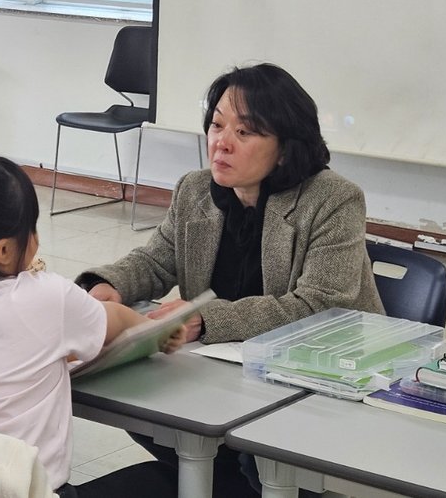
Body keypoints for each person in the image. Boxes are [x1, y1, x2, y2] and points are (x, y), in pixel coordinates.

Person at [75, 63, 385, 496]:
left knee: (252, 459)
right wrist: (108, 286)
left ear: (285, 147)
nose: (221, 142)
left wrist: (206, 319)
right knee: (142, 405)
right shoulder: (195, 190)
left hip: (315, 377)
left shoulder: (332, 199)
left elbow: (318, 306)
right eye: (217, 125)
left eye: (245, 132)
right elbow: (156, 260)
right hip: (225, 377)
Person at [0, 155, 179, 497]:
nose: (36, 237)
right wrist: (154, 328)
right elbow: (114, 320)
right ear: (3, 250)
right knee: (165, 482)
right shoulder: (44, 296)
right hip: (31, 493)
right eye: (31, 227)